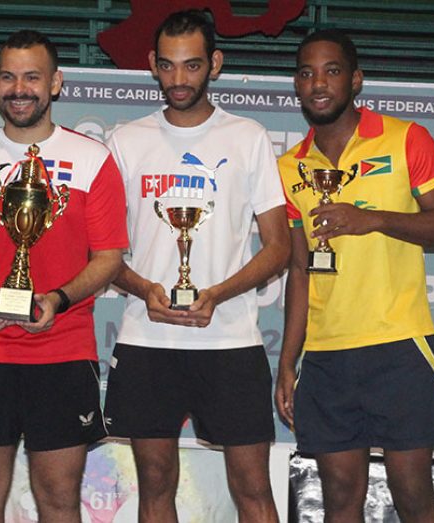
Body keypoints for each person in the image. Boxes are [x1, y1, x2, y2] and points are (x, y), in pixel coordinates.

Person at [0, 30, 127, 522]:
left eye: (32, 77)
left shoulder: (92, 160)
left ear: (55, 83)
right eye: (8, 76)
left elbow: (109, 257)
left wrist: (58, 298)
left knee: (58, 501)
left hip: (64, 352)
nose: (19, 88)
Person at [103, 10, 289, 522]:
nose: (178, 79)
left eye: (190, 66)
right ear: (152, 65)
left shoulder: (247, 136)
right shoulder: (126, 140)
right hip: (148, 339)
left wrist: (218, 294)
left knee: (253, 489)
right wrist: (144, 289)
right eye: (167, 66)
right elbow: (102, 253)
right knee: (156, 486)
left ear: (215, 64)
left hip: (229, 340)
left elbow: (278, 248)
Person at [275, 29, 434, 523]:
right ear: (297, 87)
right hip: (326, 355)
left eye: (332, 71)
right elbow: (300, 268)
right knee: (340, 499)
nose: (318, 83)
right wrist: (287, 361)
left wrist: (376, 218)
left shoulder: (406, 138)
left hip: (398, 344)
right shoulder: (289, 166)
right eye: (306, 73)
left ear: (356, 80)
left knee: (412, 495)